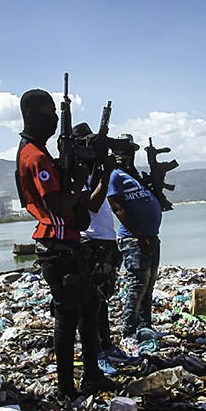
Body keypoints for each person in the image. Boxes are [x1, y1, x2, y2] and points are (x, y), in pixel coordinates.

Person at [15, 89, 116, 400]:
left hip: (67, 244)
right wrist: (75, 180)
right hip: (57, 246)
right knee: (67, 318)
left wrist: (97, 173)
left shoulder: (41, 153)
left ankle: (92, 376)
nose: (54, 119)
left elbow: (85, 204)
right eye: (48, 112)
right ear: (31, 115)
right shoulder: (35, 156)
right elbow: (59, 206)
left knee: (88, 309)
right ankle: (67, 387)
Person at [72, 123, 125, 358]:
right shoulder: (76, 171)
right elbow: (91, 203)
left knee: (101, 300)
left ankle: (105, 346)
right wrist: (106, 173)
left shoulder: (91, 169)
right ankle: (97, 353)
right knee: (92, 303)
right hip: (91, 241)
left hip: (104, 240)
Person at [107, 134, 163, 338]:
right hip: (134, 239)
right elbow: (117, 206)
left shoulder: (134, 176)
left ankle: (144, 326)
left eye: (131, 152)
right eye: (124, 151)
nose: (128, 156)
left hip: (150, 237)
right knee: (138, 284)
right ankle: (129, 329)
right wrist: (139, 235)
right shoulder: (114, 175)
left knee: (149, 285)